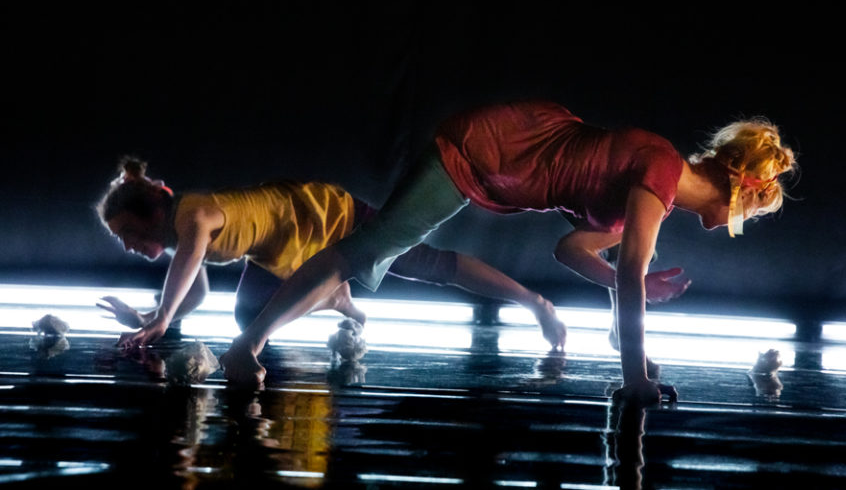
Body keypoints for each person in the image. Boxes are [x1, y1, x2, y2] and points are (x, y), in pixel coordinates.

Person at [217, 100, 797, 405]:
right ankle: (246, 345)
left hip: (498, 157)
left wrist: (636, 339)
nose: (731, 228)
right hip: (488, 150)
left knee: (375, 253)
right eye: (746, 215)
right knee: (364, 250)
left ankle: (249, 344)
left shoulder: (657, 190)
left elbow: (572, 251)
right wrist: (634, 374)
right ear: (741, 191)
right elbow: (627, 275)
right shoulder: (660, 172)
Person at [97, 157, 568, 350]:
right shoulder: (182, 236)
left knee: (425, 265)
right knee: (248, 315)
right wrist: (153, 315)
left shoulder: (192, 216)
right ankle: (336, 297)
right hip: (284, 247)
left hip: (325, 215)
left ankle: (535, 302)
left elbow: (185, 269)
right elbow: (192, 290)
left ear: (152, 211)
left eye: (127, 233)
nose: (127, 246)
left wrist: (159, 320)